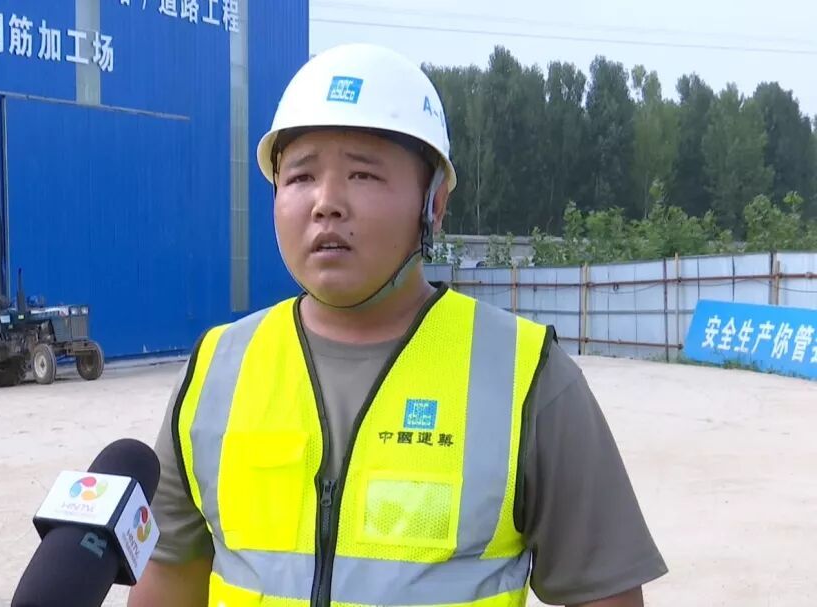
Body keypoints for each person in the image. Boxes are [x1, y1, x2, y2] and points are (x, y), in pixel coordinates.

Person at [128, 43, 667, 607]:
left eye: (363, 174)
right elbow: (169, 579)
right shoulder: (217, 369)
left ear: (434, 204)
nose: (326, 204)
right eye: (301, 176)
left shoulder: (526, 375)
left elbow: (602, 595)